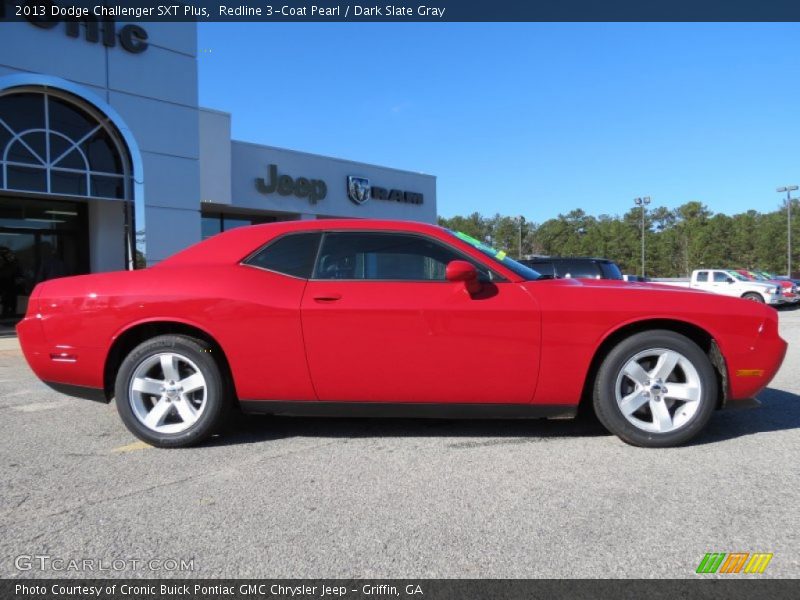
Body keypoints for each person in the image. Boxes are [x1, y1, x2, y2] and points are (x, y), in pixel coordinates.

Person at [0, 246, 20, 317]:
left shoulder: (12, 265)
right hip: (7, 286)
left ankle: (9, 312)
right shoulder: (7, 265)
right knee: (7, 301)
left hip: (10, 286)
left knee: (10, 301)